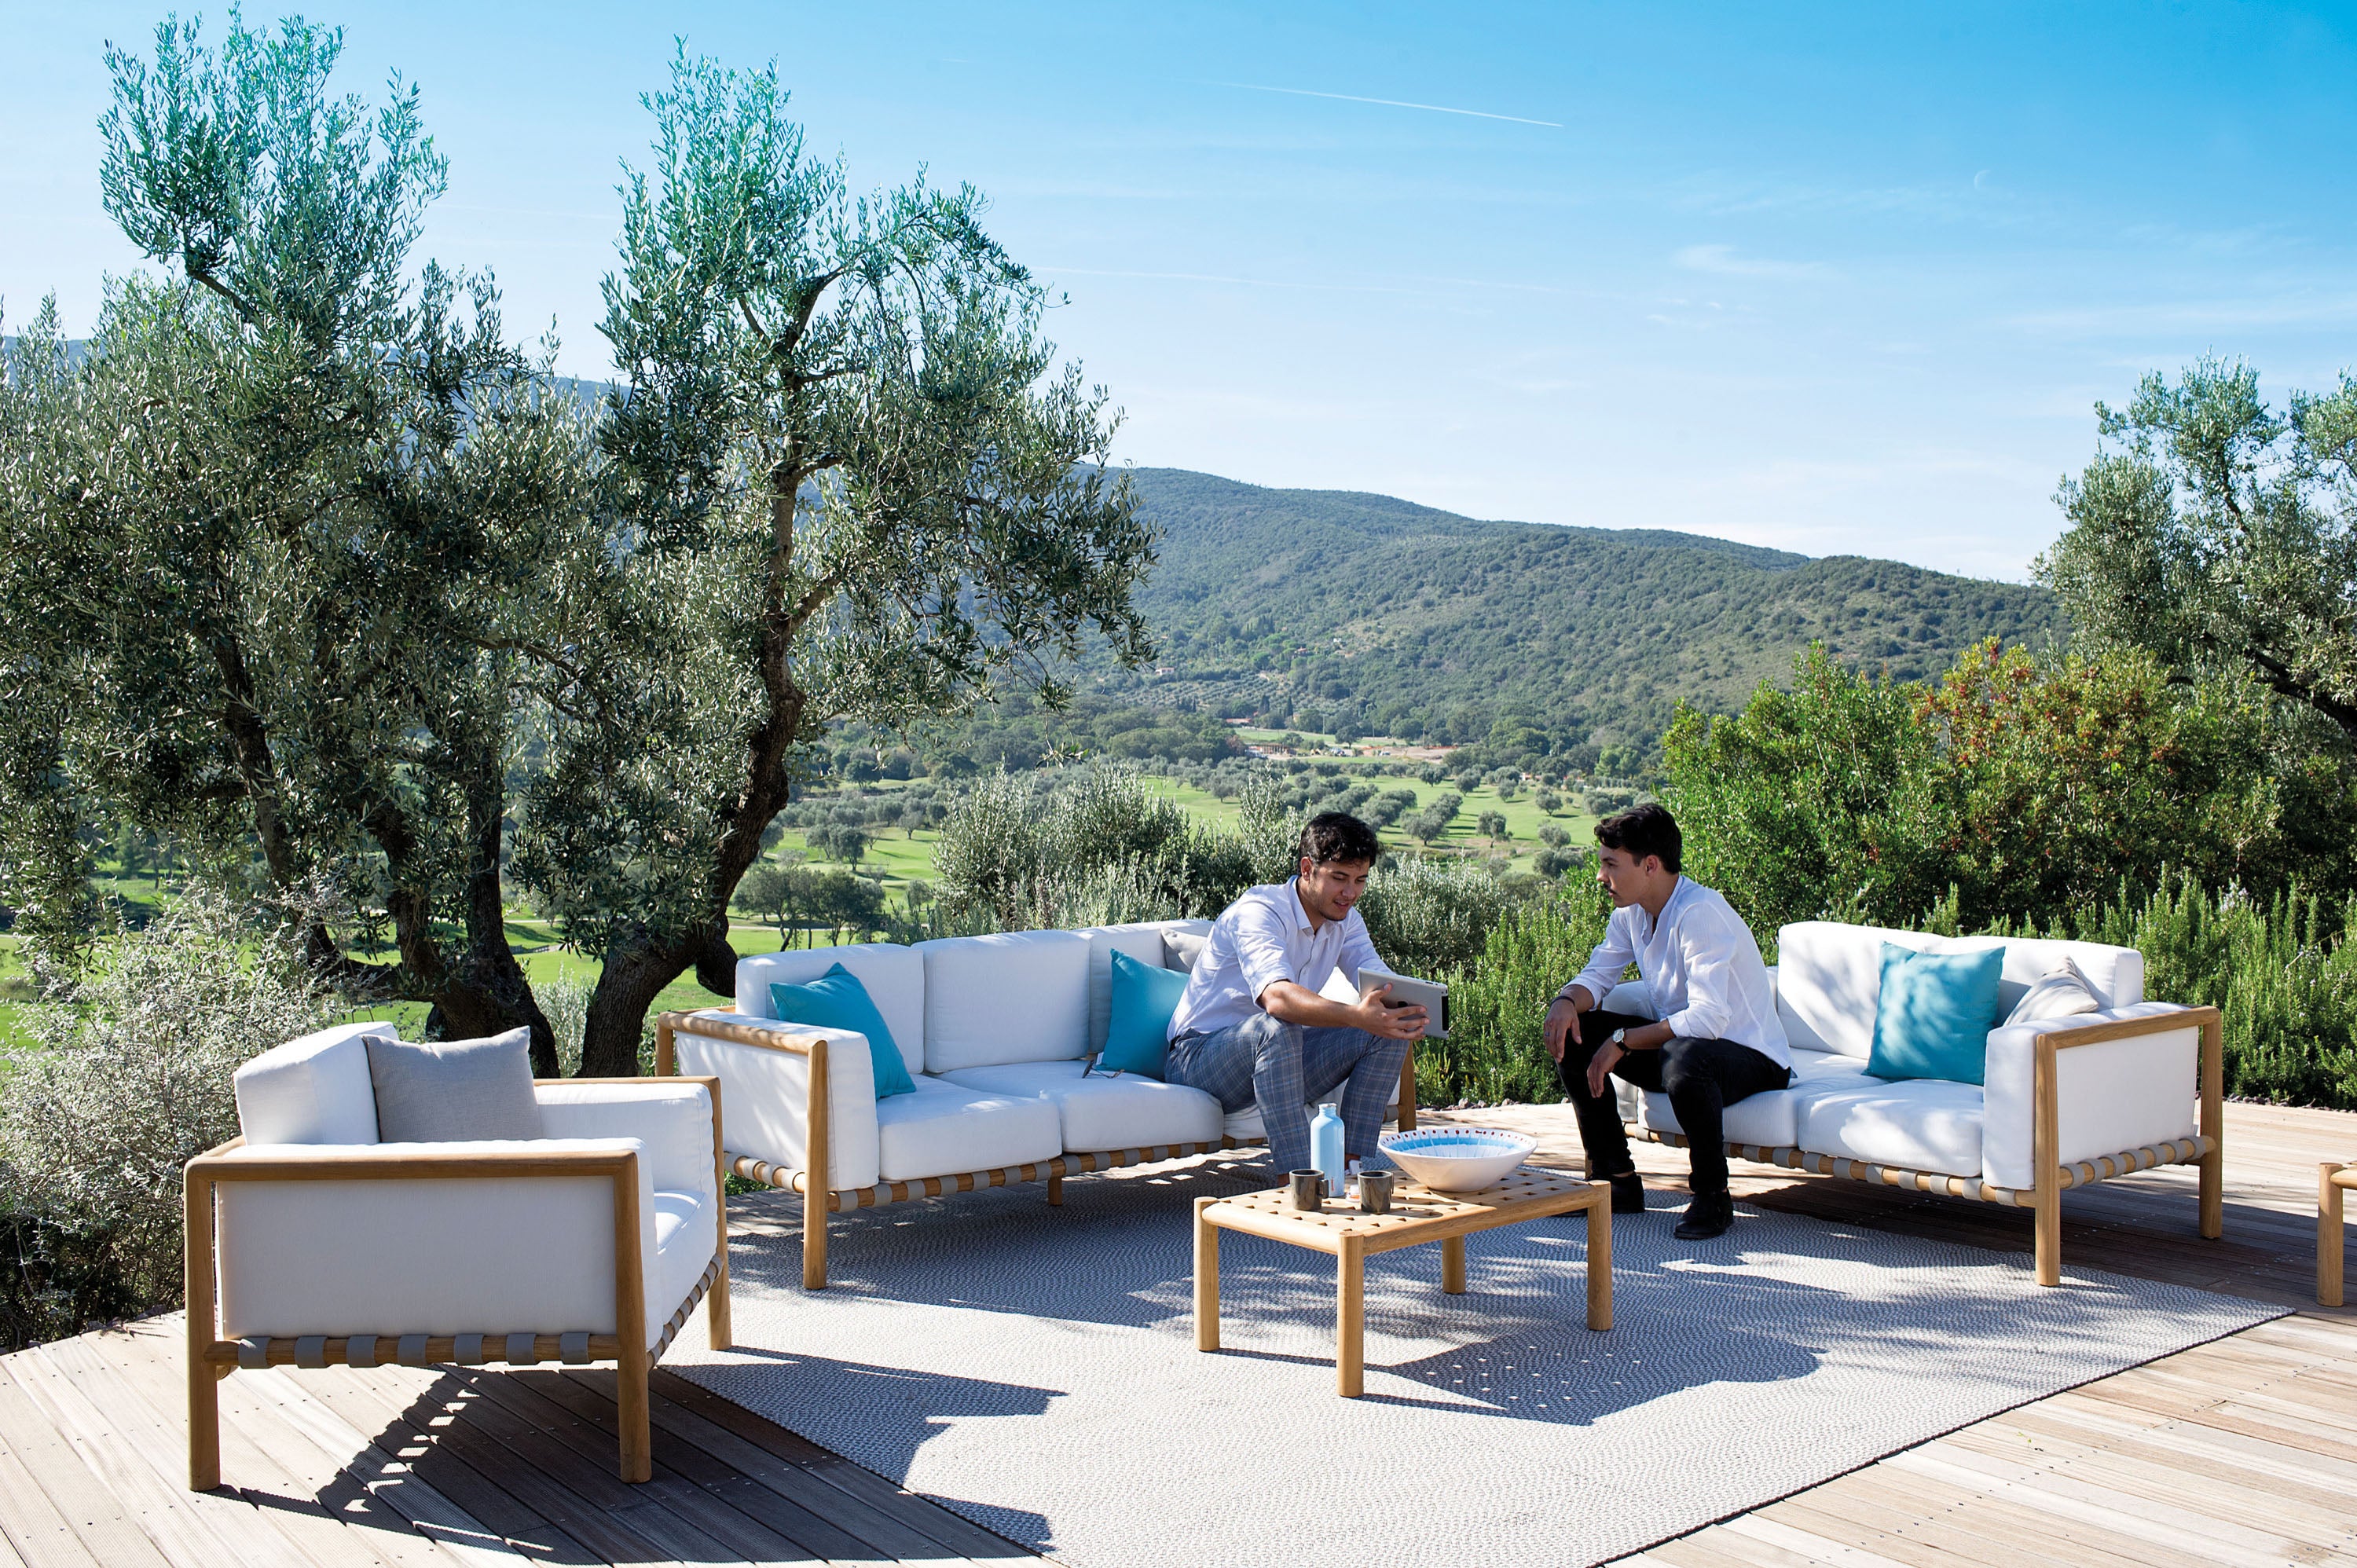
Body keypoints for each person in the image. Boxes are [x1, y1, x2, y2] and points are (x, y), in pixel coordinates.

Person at [1542, 802, 1789, 1240]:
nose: (1601, 876)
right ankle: (1615, 1180)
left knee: (1682, 1056)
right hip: (1685, 1051)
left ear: (1650, 865)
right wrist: (1565, 1002)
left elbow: (1708, 1019)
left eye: (1611, 864)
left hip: (1752, 1059)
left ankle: (1713, 1195)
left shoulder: (1700, 913)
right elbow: (1598, 975)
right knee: (1576, 1034)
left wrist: (1623, 1040)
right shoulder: (1631, 913)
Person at [1166, 811, 1428, 1181]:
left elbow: (1379, 983)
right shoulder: (1259, 911)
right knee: (1278, 1026)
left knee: (1386, 1030)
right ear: (1307, 869)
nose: (1350, 893)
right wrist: (1355, 1014)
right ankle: (1300, 1182)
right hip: (1199, 1058)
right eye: (1339, 878)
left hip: (1280, 1060)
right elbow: (1277, 999)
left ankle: (1348, 1168)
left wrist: (1408, 1010)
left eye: (1360, 880)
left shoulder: (1346, 921)